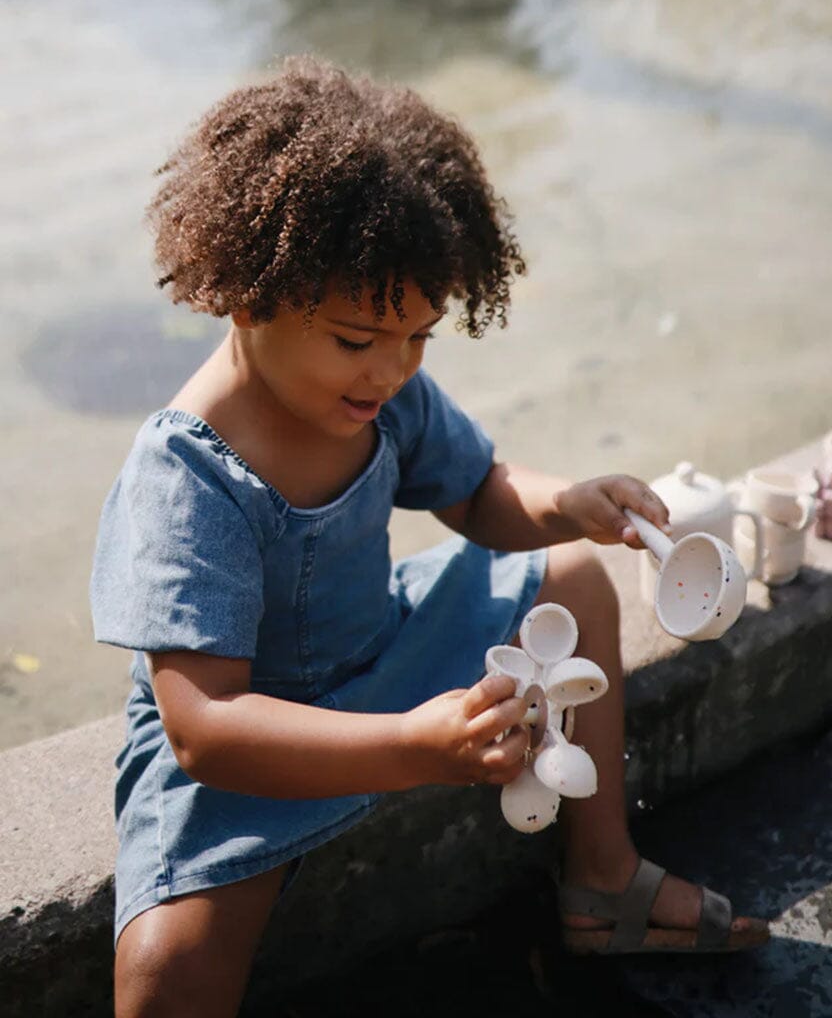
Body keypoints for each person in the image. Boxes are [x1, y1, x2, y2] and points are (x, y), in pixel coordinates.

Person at [91, 56, 768, 1018]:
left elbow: (481, 493)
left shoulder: (380, 393)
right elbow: (206, 729)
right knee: (165, 973)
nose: (392, 370)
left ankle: (604, 875)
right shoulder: (188, 476)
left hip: (382, 651)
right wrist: (414, 746)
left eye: (420, 337)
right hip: (260, 740)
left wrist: (571, 501)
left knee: (573, 575)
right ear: (249, 294)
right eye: (356, 340)